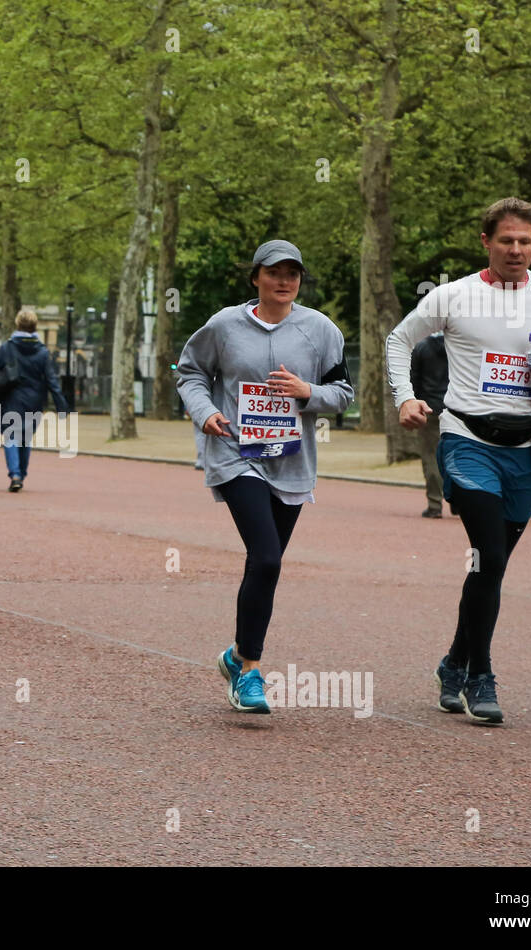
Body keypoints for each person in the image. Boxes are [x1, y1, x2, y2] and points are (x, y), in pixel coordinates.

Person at [386, 197, 531, 724]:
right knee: (490, 555)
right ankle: (481, 674)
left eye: (525, 241)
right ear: (486, 242)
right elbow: (398, 339)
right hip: (465, 440)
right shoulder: (455, 295)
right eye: (506, 240)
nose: (516, 249)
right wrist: (404, 397)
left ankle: (453, 662)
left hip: (528, 452)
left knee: (489, 568)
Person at [177, 240, 353, 714]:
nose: (284, 280)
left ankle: (235, 656)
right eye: (275, 272)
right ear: (256, 276)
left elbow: (344, 392)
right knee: (268, 557)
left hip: (291, 462)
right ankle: (251, 672)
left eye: (293, 272)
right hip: (236, 452)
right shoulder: (224, 325)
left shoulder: (320, 330)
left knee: (264, 566)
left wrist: (308, 391)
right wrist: (206, 412)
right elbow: (190, 373)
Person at [0, 309, 68, 492]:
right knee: (25, 439)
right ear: (35, 326)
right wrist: (61, 406)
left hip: (11, 398)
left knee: (10, 436)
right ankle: (22, 473)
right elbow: (52, 380)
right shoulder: (43, 352)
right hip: (34, 401)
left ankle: (15, 474)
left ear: (17, 324)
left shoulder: (7, 347)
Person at [410, 332, 450, 518]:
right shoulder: (458, 345)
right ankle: (458, 501)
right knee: (458, 455)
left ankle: (435, 504)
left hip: (430, 408)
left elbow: (414, 380)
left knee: (431, 456)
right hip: (456, 407)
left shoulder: (421, 347)